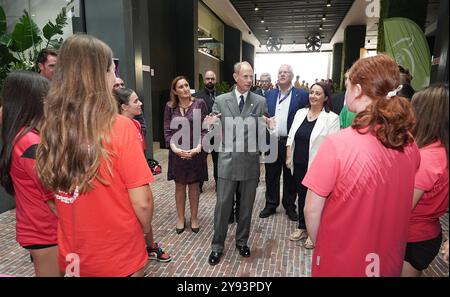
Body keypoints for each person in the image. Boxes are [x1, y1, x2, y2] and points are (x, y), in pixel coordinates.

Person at [36, 34, 155, 277]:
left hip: (72, 259)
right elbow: (143, 203)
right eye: (112, 69)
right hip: (117, 257)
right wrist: (143, 232)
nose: (115, 76)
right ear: (97, 76)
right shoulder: (120, 127)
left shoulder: (51, 127)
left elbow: (52, 196)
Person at [303, 54, 420, 277]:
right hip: (388, 258)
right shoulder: (409, 142)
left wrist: (325, 246)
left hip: (343, 261)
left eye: (347, 85)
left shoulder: (338, 144)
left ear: (357, 90)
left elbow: (311, 209)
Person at [0, 70, 60, 277]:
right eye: (46, 97)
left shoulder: (25, 136)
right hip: (45, 232)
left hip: (42, 229)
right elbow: (53, 193)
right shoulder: (29, 142)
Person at [207, 61, 267, 266]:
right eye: (245, 76)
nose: (250, 80)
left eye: (251, 76)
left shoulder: (259, 101)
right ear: (235, 77)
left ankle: (242, 241)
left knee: (246, 206)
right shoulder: (221, 101)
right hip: (227, 162)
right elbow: (213, 129)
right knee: (223, 206)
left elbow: (262, 133)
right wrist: (211, 125)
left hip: (250, 163)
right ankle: (217, 246)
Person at [113, 88, 172, 263]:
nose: (140, 104)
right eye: (135, 101)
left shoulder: (137, 125)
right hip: (123, 187)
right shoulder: (114, 129)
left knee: (144, 214)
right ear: (123, 107)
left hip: (138, 180)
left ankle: (150, 246)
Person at [402, 83, 449, 277]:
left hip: (414, 238)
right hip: (425, 233)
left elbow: (402, 209)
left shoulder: (429, 159)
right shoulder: (438, 148)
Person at [286, 82, 339, 247]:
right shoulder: (300, 113)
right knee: (301, 196)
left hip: (317, 167)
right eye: (312, 92)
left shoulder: (332, 118)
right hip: (298, 164)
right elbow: (291, 137)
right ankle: (302, 227)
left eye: (318, 93)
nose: (313, 96)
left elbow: (333, 146)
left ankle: (313, 232)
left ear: (325, 98)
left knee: (316, 201)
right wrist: (288, 156)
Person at [259, 64, 308, 221]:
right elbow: (262, 114)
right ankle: (271, 204)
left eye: (285, 72)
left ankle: (289, 206)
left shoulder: (301, 95)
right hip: (272, 141)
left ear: (292, 76)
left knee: (290, 176)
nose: (282, 74)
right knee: (271, 175)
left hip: (290, 142)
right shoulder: (270, 95)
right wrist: (264, 119)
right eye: (280, 72)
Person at [164, 76, 208, 235]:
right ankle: (181, 218)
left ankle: (194, 218)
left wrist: (199, 147)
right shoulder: (169, 107)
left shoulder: (199, 104)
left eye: (186, 85)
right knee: (180, 186)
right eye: (180, 87)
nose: (185, 89)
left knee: (194, 186)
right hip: (177, 153)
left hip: (196, 152)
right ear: (175, 91)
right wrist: (175, 148)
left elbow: (205, 128)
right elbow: (167, 131)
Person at [193, 70, 222, 192]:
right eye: (207, 79)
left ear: (215, 80)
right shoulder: (196, 96)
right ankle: (199, 185)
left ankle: (219, 184)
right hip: (203, 133)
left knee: (218, 159)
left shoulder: (222, 96)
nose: (210, 81)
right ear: (204, 80)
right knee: (200, 160)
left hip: (218, 133)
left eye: (212, 79)